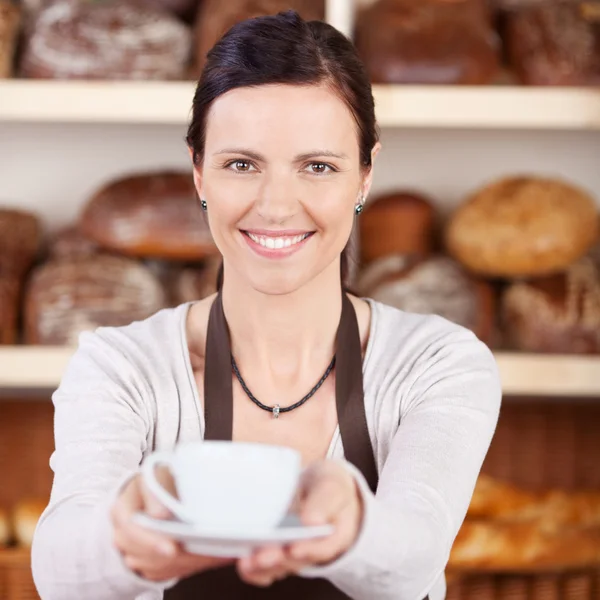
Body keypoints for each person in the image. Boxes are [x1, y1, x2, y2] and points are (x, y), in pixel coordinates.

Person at [31, 10, 501, 600]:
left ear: (364, 176)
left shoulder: (440, 363)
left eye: (318, 167)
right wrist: (121, 533)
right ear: (199, 173)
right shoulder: (122, 366)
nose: (277, 207)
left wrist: (352, 522)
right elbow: (59, 570)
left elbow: (412, 559)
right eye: (242, 164)